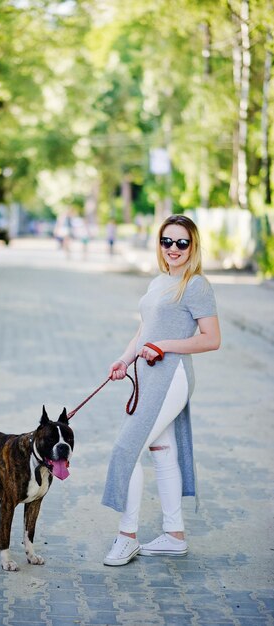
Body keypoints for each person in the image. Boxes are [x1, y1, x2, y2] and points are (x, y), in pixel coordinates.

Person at [102, 214, 221, 566]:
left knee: (127, 448)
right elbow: (144, 329)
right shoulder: (159, 282)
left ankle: (127, 536)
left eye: (181, 242)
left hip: (173, 377)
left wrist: (165, 345)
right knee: (162, 450)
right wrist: (124, 359)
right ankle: (174, 535)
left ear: (193, 246)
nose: (173, 248)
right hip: (151, 373)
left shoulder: (196, 285)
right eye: (166, 241)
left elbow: (211, 340)